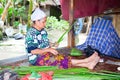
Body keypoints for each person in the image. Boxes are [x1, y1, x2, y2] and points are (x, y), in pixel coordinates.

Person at [25, 7, 100, 70]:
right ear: (36, 21)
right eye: (43, 22)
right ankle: (86, 60)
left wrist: (52, 44)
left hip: (46, 54)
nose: (45, 24)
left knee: (62, 57)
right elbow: (32, 51)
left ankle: (87, 65)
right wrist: (48, 49)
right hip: (37, 59)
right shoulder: (31, 33)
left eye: (45, 22)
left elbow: (43, 43)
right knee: (59, 61)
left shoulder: (43, 31)